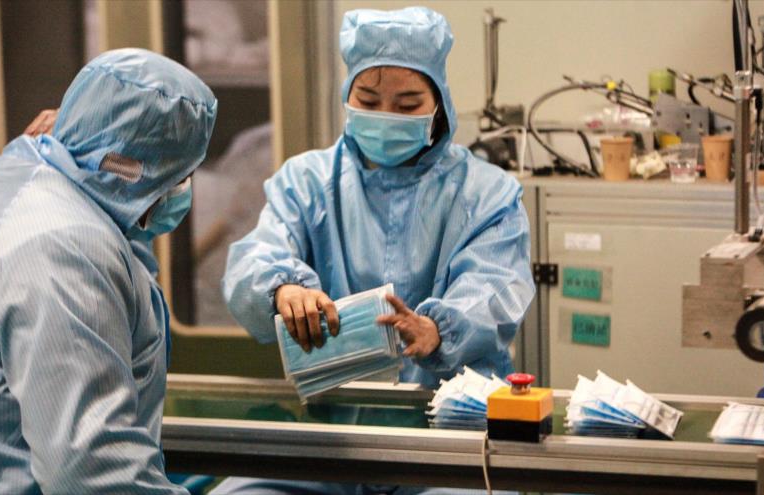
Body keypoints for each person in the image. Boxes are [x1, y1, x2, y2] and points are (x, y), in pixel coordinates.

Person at [217, 7, 533, 494]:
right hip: (328, 440)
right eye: (369, 99)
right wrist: (281, 289)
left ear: (439, 105)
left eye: (408, 105)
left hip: (449, 439)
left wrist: (437, 331)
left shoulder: (486, 194)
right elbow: (257, 256)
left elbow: (495, 291)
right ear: (348, 97)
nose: (387, 117)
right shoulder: (307, 182)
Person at [0, 48, 217, 494]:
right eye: (181, 176)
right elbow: (89, 470)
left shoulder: (13, 181)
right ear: (139, 170)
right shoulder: (65, 247)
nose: (182, 192)